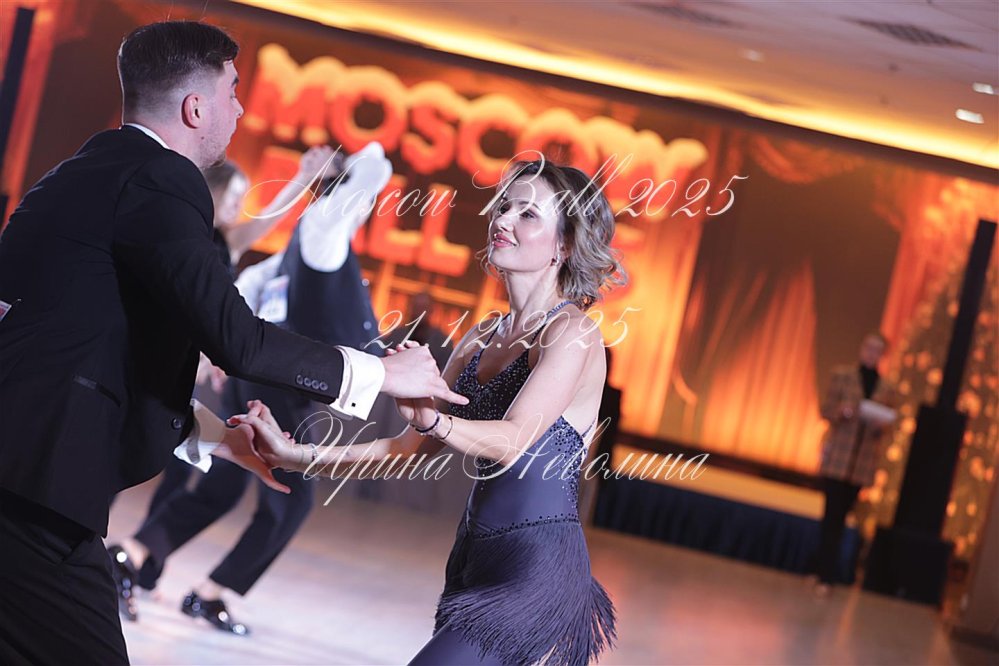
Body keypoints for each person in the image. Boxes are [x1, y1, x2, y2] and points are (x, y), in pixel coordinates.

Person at [0, 21, 464, 665]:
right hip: (32, 497)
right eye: (234, 92)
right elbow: (238, 340)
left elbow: (93, 351)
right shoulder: (163, 180)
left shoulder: (80, 172)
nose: (241, 110)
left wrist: (220, 439)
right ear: (196, 108)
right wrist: (383, 375)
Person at [239, 159, 624, 666]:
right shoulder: (482, 336)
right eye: (505, 206)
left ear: (566, 245)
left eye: (528, 214)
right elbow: (408, 451)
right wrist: (294, 455)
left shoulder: (572, 332)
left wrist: (435, 421)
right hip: (472, 557)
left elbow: (513, 441)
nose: (504, 219)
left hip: (533, 569)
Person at [112, 142, 394, 632]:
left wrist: (222, 350)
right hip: (282, 387)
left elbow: (253, 287)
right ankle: (212, 592)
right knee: (292, 499)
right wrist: (349, 165)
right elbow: (376, 169)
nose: (367, 207)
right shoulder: (324, 231)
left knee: (223, 485)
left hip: (258, 378)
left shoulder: (308, 243)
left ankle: (134, 555)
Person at [813, 332, 898, 597]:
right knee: (832, 517)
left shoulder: (886, 388)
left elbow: (888, 428)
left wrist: (879, 426)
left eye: (877, 350)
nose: (872, 353)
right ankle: (824, 574)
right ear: (862, 348)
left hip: (860, 464)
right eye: (869, 348)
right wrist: (842, 412)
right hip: (838, 459)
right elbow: (826, 410)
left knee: (843, 517)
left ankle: (827, 572)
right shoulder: (843, 376)